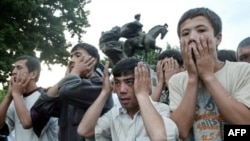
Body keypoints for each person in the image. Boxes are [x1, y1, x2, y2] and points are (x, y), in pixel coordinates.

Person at [169, 7, 250, 140]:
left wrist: (208, 76)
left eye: (201, 30)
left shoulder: (242, 71)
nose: (192, 38)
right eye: (185, 33)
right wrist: (193, 79)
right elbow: (180, 131)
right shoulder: (177, 81)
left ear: (217, 38)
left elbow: (244, 124)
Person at [77, 57, 180, 141]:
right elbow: (84, 131)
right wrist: (104, 93)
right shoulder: (114, 115)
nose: (121, 90)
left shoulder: (162, 110)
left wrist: (142, 95)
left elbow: (160, 138)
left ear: (144, 82)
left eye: (129, 82)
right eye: (117, 83)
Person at [31, 43, 114, 141]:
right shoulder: (68, 85)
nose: (71, 60)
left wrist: (73, 73)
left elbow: (67, 91)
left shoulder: (100, 86)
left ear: (93, 60)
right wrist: (66, 78)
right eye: (71, 56)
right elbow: (40, 107)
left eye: (78, 55)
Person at [0, 55, 58, 141]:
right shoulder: (16, 100)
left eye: (19, 68)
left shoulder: (45, 97)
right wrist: (8, 96)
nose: (13, 72)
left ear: (33, 74)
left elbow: (27, 123)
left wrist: (16, 94)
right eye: (14, 68)